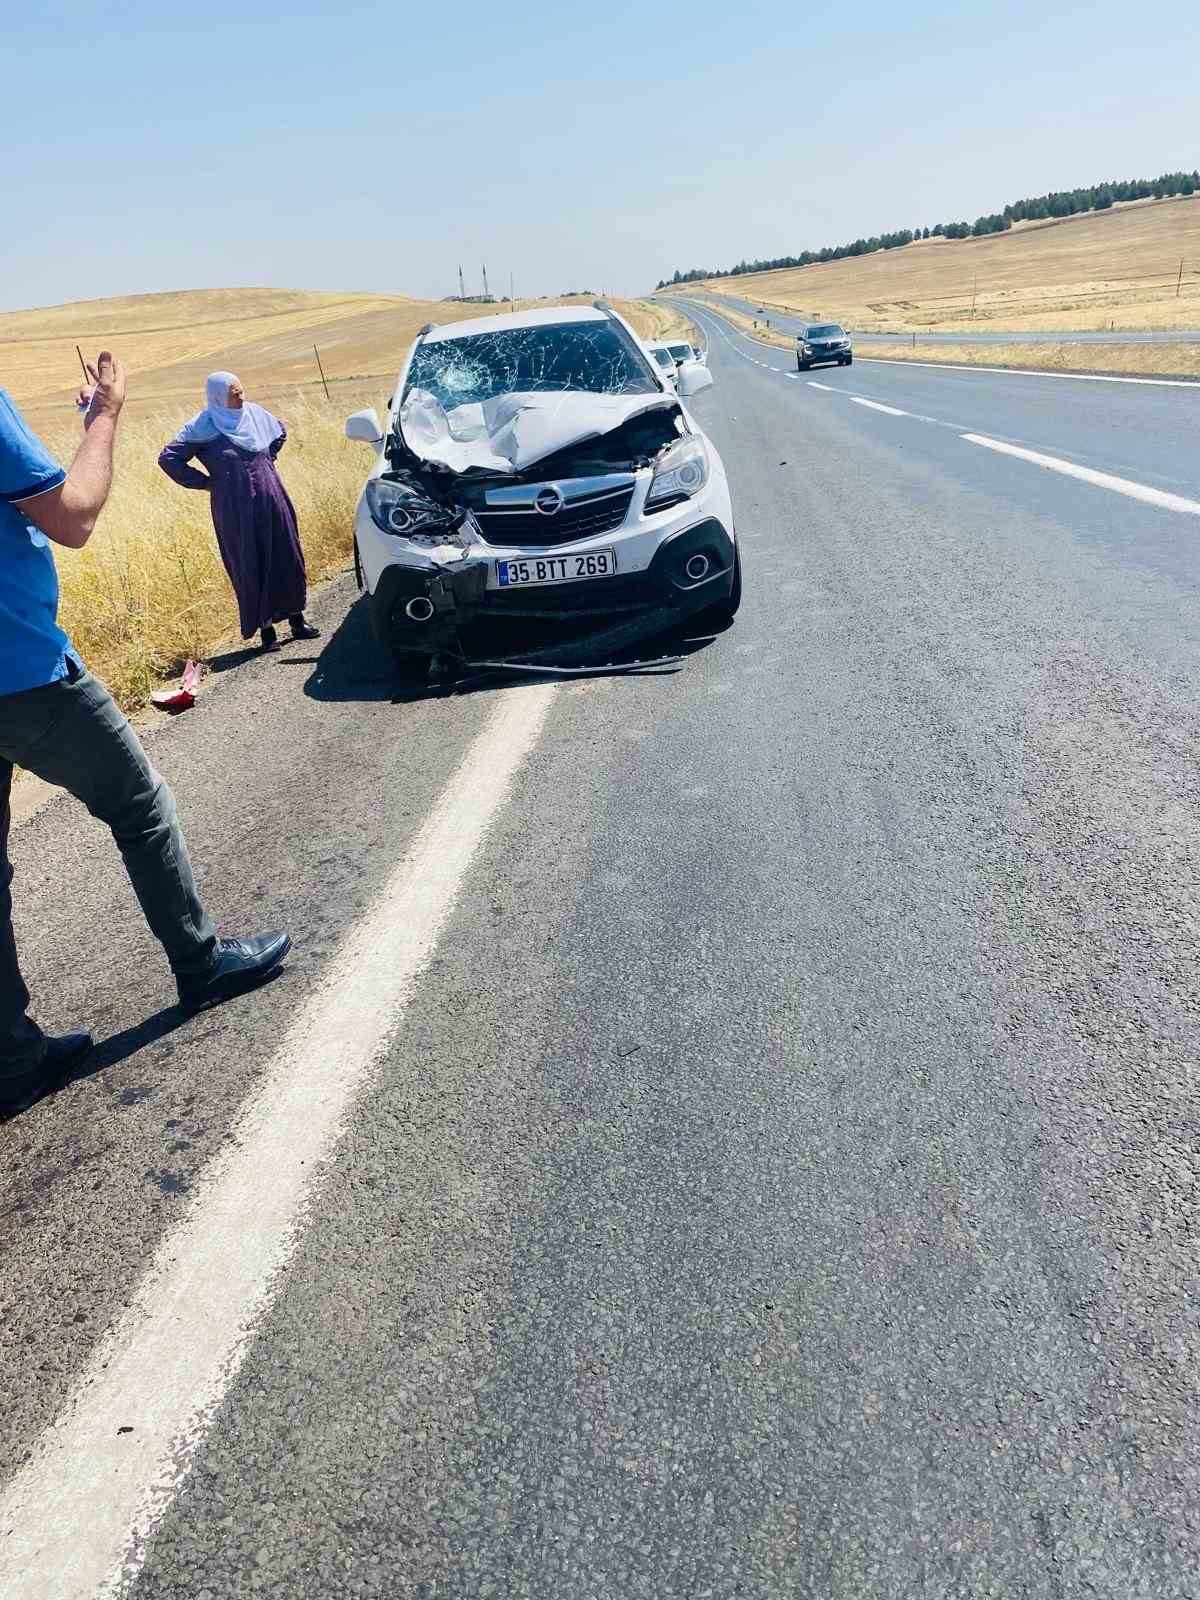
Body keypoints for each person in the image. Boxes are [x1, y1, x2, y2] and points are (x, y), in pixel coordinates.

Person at [0, 353, 291, 1117]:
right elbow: (75, 516)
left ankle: (10, 1056)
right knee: (139, 807)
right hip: (21, 674)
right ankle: (202, 967)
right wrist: (105, 415)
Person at [158, 373, 319, 653]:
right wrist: (206, 482)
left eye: (242, 391)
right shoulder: (203, 426)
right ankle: (266, 630)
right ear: (219, 397)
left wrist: (266, 459)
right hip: (234, 508)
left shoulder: (254, 414)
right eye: (235, 394)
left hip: (272, 497)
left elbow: (279, 432)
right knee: (249, 560)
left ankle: (297, 620)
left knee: (286, 553)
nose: (241, 398)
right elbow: (168, 459)